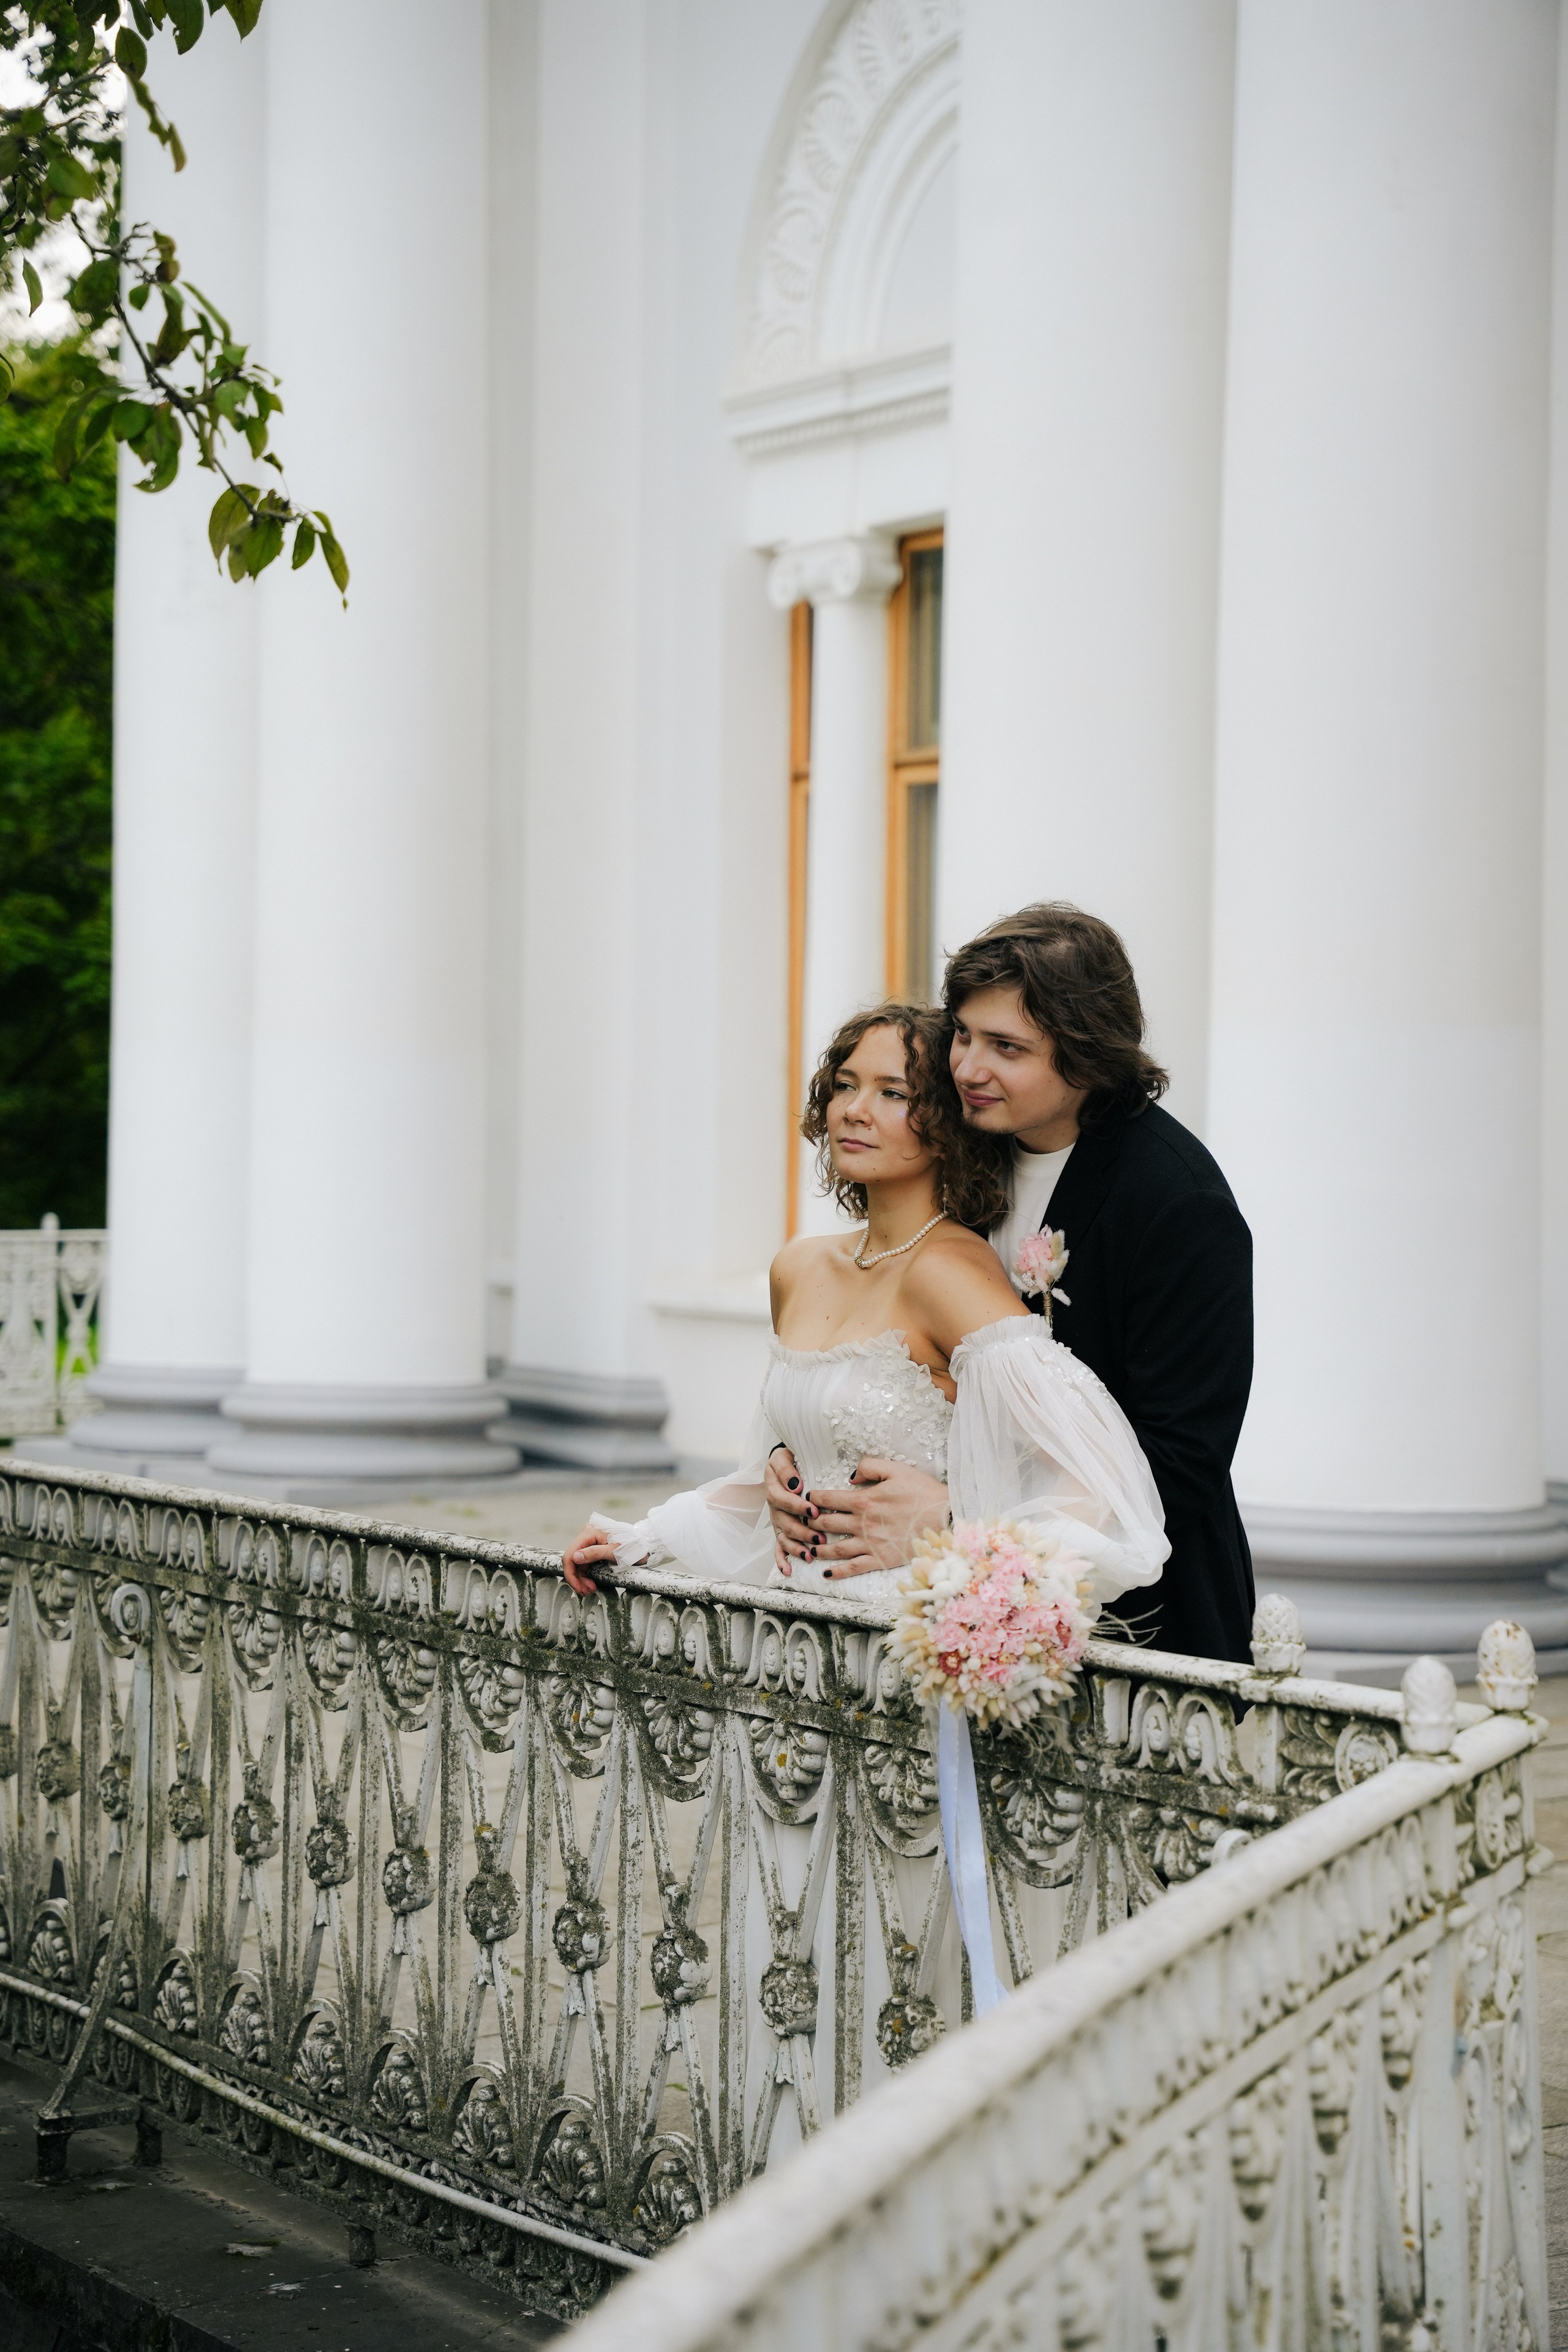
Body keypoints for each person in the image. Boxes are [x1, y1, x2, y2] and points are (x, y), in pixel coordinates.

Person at [559, 1003, 1168, 1618]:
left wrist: (955, 1528)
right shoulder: (797, 1268)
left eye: (893, 1093)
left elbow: (1093, 1477)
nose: (855, 1109)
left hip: (904, 1624)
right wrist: (644, 1539)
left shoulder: (950, 1272)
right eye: (846, 1085)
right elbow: (779, 1474)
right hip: (789, 1625)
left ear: (949, 1120)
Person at [765, 906, 1255, 1665]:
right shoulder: (968, 1150)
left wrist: (962, 1518)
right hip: (924, 1606)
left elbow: (1181, 1457)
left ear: (1087, 1058)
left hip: (1132, 1622)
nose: (966, 1068)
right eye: (963, 1033)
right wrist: (800, 1454)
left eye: (1006, 1047)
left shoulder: (1176, 1202)